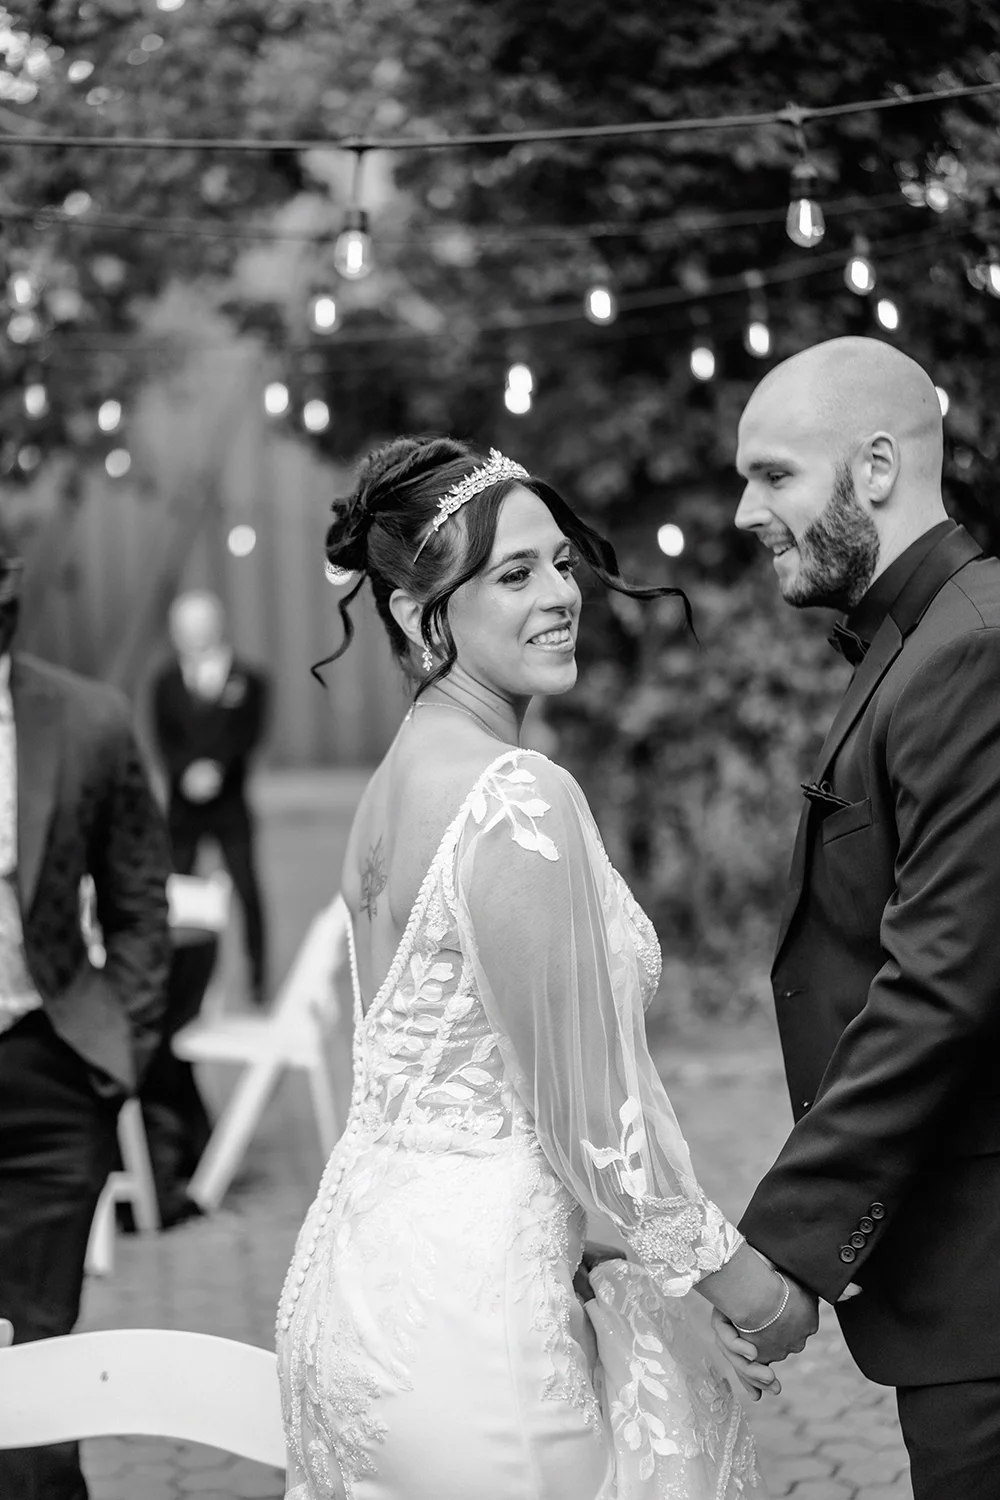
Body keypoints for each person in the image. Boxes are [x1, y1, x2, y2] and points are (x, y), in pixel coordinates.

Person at [277, 436, 815, 1500]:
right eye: (514, 575)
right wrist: (753, 1293)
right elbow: (592, 1115)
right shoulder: (515, 796)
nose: (561, 594)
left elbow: (423, 1075)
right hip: (472, 1333)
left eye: (561, 564)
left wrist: (578, 1257)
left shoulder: (393, 787)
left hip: (354, 1286)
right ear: (412, 611)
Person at [714, 336, 1000, 1500]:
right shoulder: (925, 637)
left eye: (773, 475)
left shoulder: (971, 648)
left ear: (875, 466)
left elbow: (942, 977)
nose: (744, 511)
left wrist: (788, 1244)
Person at [0, 518, 172, 1499]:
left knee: (38, 1370)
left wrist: (119, 1052)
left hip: (49, 1072)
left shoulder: (88, 721)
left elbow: (141, 903)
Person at [151, 590, 270, 1006]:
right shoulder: (165, 682)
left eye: (200, 627)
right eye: (184, 629)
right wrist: (186, 772)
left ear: (216, 626)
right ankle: (173, 980)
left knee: (247, 890)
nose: (193, 636)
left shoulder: (249, 679)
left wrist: (216, 769)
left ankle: (258, 979)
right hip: (183, 810)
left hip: (229, 803)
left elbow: (248, 735)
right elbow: (163, 738)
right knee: (174, 892)